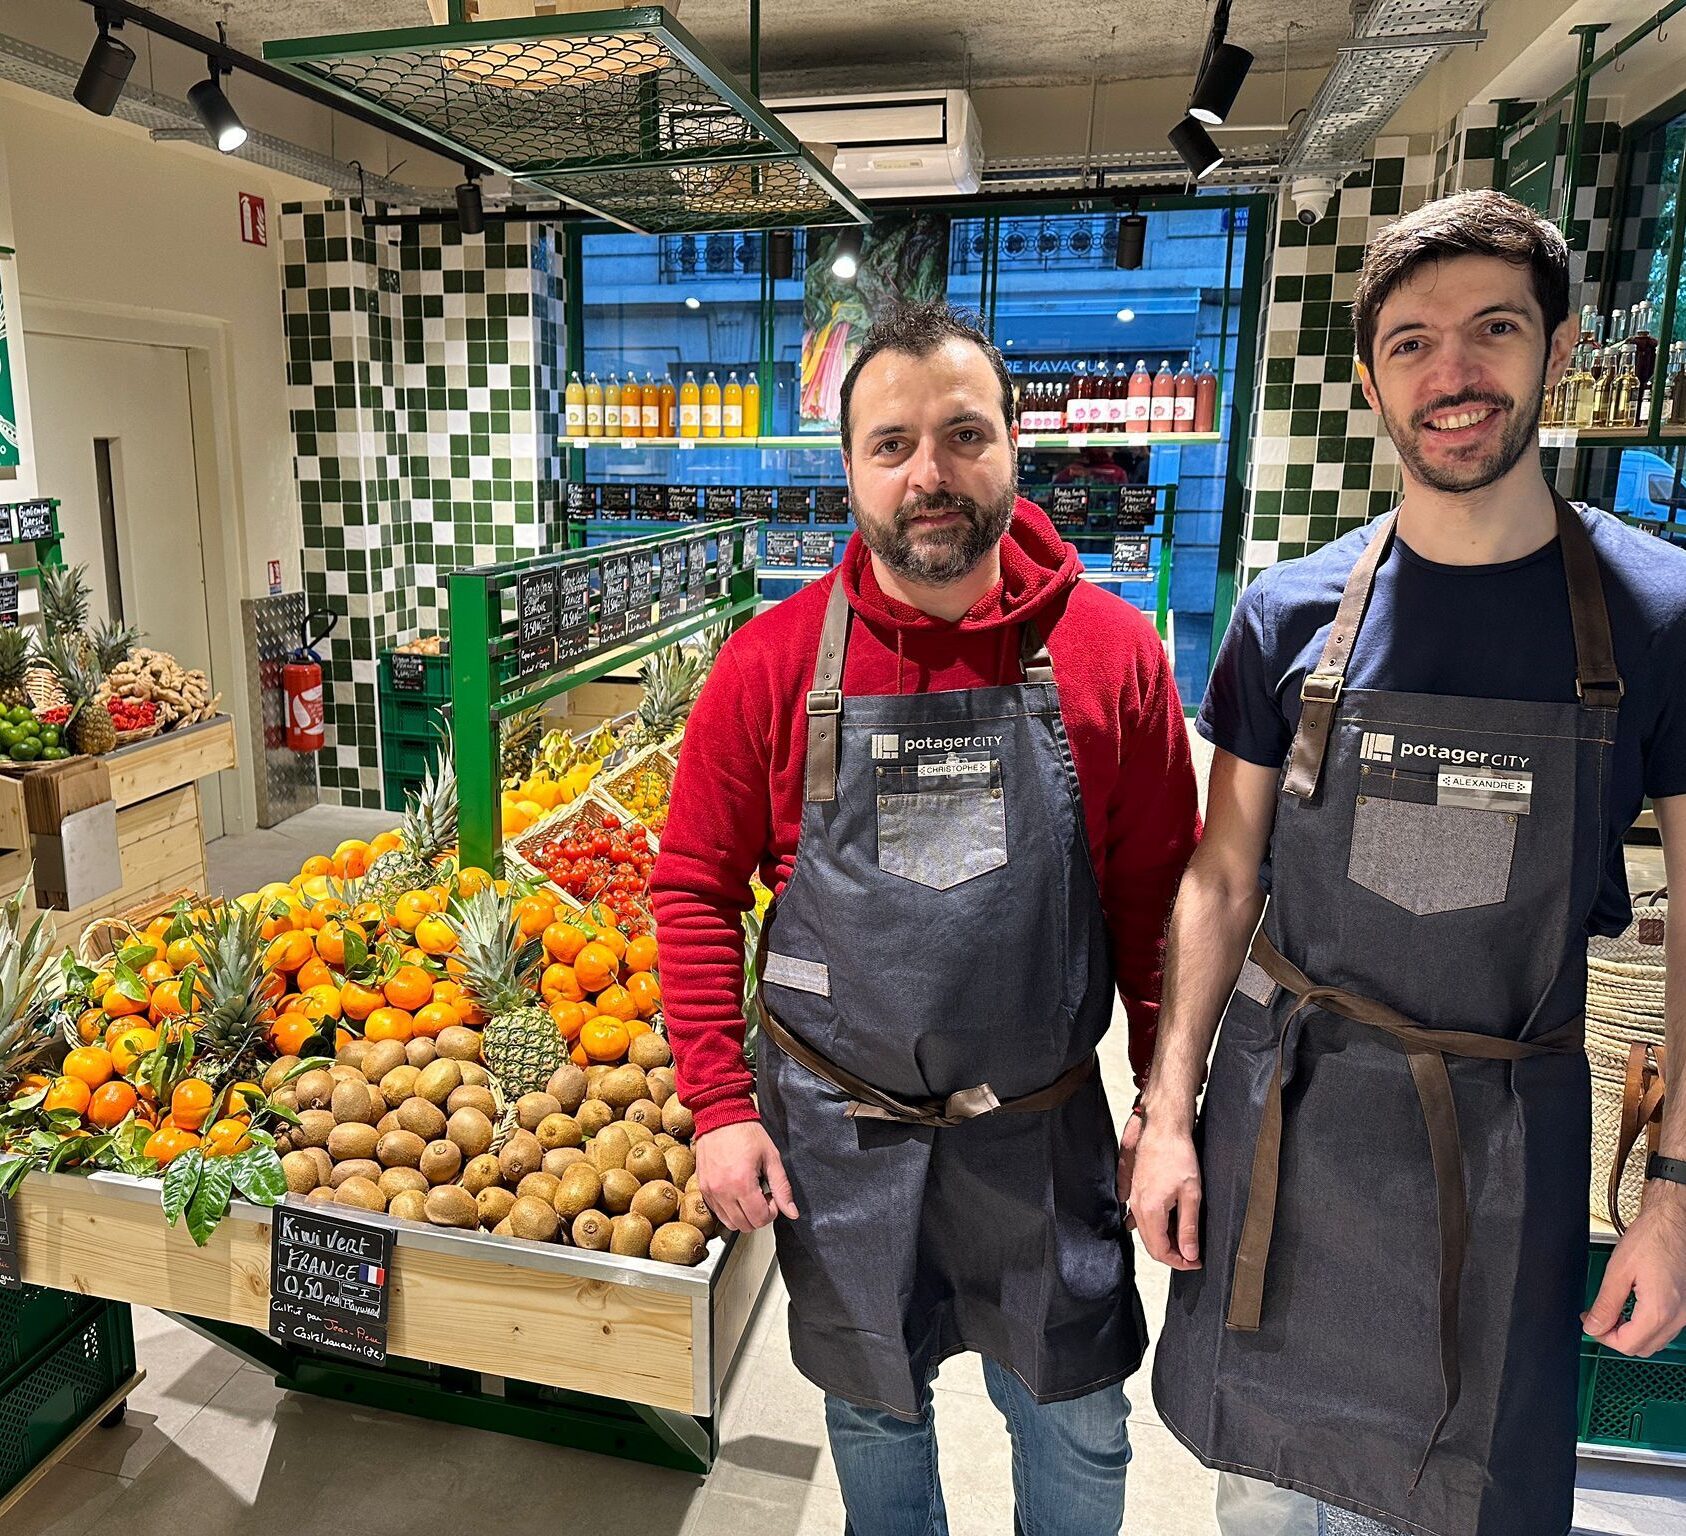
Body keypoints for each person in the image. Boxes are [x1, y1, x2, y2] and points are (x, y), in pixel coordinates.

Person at [1132, 187, 1686, 1536]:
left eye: (1491, 330)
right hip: (1286, 1131)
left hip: (1499, 1154)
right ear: (1372, 375)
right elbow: (1220, 879)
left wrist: (1671, 1193)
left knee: (1464, 1495)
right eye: (1410, 343)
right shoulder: (1286, 618)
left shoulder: (1656, 615)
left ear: (1555, 351)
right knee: (1264, 1499)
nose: (1452, 375)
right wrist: (1162, 1111)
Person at [651, 301, 1200, 1534]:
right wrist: (720, 1107)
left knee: (1074, 1415)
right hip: (839, 1143)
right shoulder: (772, 663)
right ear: (850, 470)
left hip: (1042, 1133)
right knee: (874, 1411)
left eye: (962, 435)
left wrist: (1172, 1106)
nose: (929, 475)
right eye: (892, 444)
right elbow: (692, 888)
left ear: (1015, 445)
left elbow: (1161, 907)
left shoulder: (1114, 657)